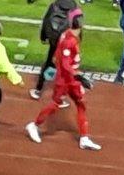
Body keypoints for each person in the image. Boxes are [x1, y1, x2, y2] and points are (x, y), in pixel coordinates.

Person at [24, 13, 100, 151]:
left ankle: (84, 138)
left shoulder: (67, 35)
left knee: (81, 104)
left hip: (71, 79)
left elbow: (57, 58)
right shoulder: (69, 41)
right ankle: (34, 125)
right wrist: (79, 77)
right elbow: (65, 65)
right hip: (65, 80)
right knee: (55, 105)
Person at [30, 0, 79, 97]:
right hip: (66, 42)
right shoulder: (75, 9)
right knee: (65, 67)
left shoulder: (54, 5)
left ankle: (38, 89)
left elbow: (46, 21)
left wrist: (43, 36)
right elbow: (77, 27)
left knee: (49, 64)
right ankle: (61, 95)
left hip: (54, 39)